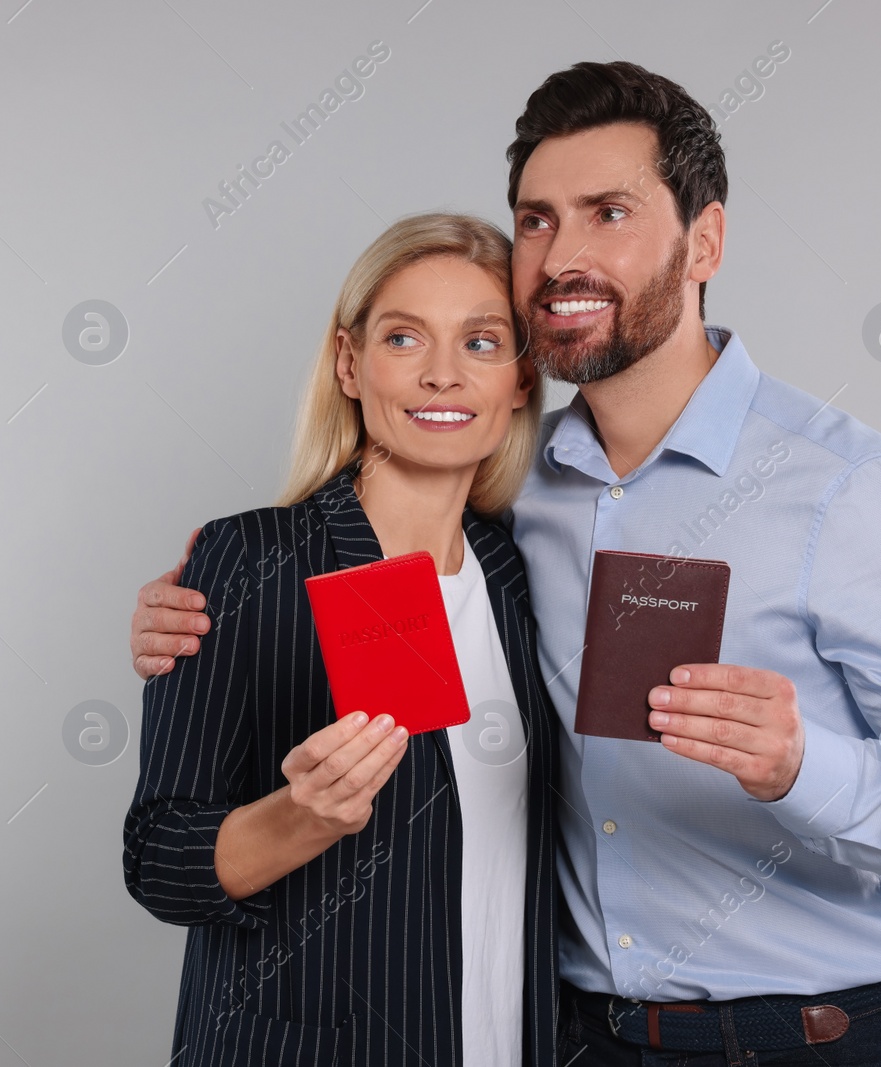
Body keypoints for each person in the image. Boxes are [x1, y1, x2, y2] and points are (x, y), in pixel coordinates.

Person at [131, 62, 881, 1066]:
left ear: (705, 241)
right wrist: (212, 588)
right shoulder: (513, 509)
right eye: (537, 220)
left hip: (803, 1035)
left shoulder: (844, 484)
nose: (563, 255)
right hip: (572, 1037)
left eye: (608, 212)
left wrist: (804, 769)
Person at [123, 213, 565, 1066]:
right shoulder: (250, 560)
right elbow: (158, 859)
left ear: (520, 378)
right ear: (350, 363)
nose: (443, 375)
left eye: (481, 342)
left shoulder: (516, 575)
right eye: (406, 338)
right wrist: (299, 818)